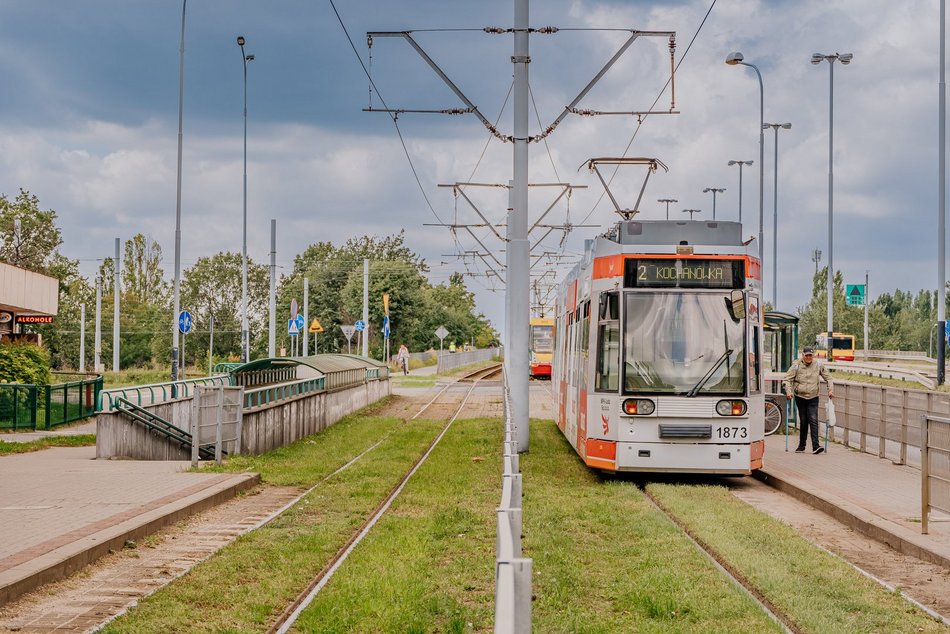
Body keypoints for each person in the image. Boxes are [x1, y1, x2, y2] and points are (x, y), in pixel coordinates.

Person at [783, 346, 834, 454]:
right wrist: (789, 391)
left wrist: (830, 390)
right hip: (800, 397)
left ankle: (816, 446)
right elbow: (787, 379)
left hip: (813, 396)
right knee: (804, 421)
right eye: (807, 355)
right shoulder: (796, 365)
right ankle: (802, 446)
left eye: (810, 355)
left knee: (813, 419)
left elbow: (828, 377)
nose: (808, 357)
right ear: (803, 355)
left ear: (813, 355)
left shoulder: (818, 365)